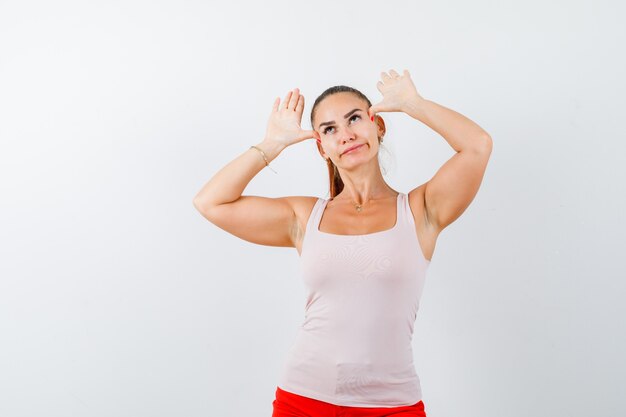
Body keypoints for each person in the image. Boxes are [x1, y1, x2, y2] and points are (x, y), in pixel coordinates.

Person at [193, 69, 493, 417]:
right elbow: (210, 202)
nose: (346, 135)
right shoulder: (305, 217)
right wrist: (272, 144)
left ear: (378, 126)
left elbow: (477, 146)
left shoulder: (421, 209)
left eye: (354, 119)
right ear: (322, 147)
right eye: (330, 129)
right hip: (301, 399)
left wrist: (414, 105)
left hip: (391, 405)